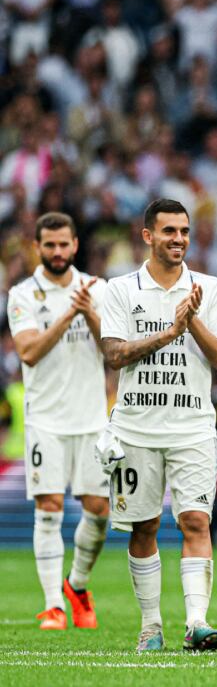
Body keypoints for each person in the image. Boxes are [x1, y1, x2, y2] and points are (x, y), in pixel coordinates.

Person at [98, 199, 217, 652]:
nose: (178, 239)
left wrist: (191, 320)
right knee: (144, 528)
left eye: (184, 231)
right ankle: (150, 627)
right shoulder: (121, 289)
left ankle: (196, 622)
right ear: (147, 236)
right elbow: (114, 354)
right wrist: (168, 333)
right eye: (169, 231)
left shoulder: (209, 288)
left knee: (196, 520)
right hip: (136, 427)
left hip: (193, 427)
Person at [8, 212, 110, 631]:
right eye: (48, 245)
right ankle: (53, 605)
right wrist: (70, 315)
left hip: (91, 419)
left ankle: (77, 584)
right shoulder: (23, 295)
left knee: (100, 511)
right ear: (37, 247)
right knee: (48, 508)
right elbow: (28, 352)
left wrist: (87, 313)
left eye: (63, 244)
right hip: (46, 420)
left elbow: (114, 350)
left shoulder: (97, 290)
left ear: (75, 245)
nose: (56, 252)